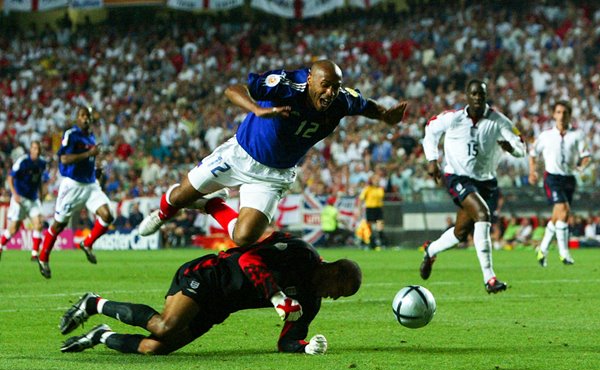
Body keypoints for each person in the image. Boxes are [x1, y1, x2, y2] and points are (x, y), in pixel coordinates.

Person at [138, 59, 407, 248]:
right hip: (240, 154)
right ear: (310, 79)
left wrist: (385, 116)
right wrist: (258, 109)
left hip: (274, 174)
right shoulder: (287, 84)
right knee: (179, 197)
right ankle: (162, 215)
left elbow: (365, 105)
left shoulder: (342, 100)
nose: (329, 92)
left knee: (243, 238)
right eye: (324, 85)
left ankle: (212, 204)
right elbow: (233, 89)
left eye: (335, 87)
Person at [58, 231, 362, 356]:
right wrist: (276, 297)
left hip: (221, 306)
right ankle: (94, 303)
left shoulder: (311, 301)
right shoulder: (301, 253)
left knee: (156, 348)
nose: (335, 297)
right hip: (210, 275)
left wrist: (305, 347)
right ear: (335, 272)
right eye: (340, 290)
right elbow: (247, 259)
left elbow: (287, 340)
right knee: (165, 326)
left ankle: (100, 336)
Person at [419, 79, 525, 294]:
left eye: (482, 94)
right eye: (474, 94)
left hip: (485, 182)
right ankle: (490, 278)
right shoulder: (454, 118)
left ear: (486, 96)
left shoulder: (499, 121)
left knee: (461, 232)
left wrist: (512, 149)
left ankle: (430, 250)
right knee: (483, 215)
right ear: (467, 96)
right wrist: (432, 160)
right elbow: (430, 129)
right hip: (457, 176)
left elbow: (521, 146)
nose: (478, 97)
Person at [37, 106, 114, 279]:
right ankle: (43, 257)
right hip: (72, 186)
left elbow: (88, 159)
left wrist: (94, 171)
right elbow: (64, 158)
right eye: (83, 116)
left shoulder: (91, 136)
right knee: (59, 225)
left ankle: (87, 244)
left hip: (90, 184)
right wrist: (89, 154)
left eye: (89, 116)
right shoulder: (72, 135)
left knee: (107, 216)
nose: (86, 119)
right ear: (77, 118)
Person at [528, 100, 591, 267]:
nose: (562, 115)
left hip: (569, 178)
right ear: (554, 115)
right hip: (552, 177)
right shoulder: (545, 135)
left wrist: (581, 166)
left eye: (565, 112)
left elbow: (586, 156)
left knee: (557, 217)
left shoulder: (577, 135)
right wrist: (532, 171)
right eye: (558, 112)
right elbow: (533, 153)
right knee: (564, 212)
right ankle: (564, 253)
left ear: (569, 115)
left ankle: (542, 250)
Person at [0, 141, 48, 261]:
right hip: (20, 198)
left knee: (39, 224)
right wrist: (14, 194)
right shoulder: (23, 161)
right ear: (30, 150)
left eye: (38, 149)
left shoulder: (42, 163)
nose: (36, 151)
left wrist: (41, 196)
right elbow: (10, 178)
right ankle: (0, 245)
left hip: (33, 199)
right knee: (13, 228)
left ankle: (34, 254)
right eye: (34, 148)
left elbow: (39, 181)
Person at [359, 176, 386, 250]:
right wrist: (359, 209)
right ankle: (371, 243)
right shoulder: (368, 189)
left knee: (380, 227)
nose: (377, 181)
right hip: (370, 209)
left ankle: (382, 243)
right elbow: (361, 199)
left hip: (378, 209)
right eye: (375, 180)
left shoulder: (380, 189)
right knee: (370, 228)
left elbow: (381, 200)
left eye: (378, 180)